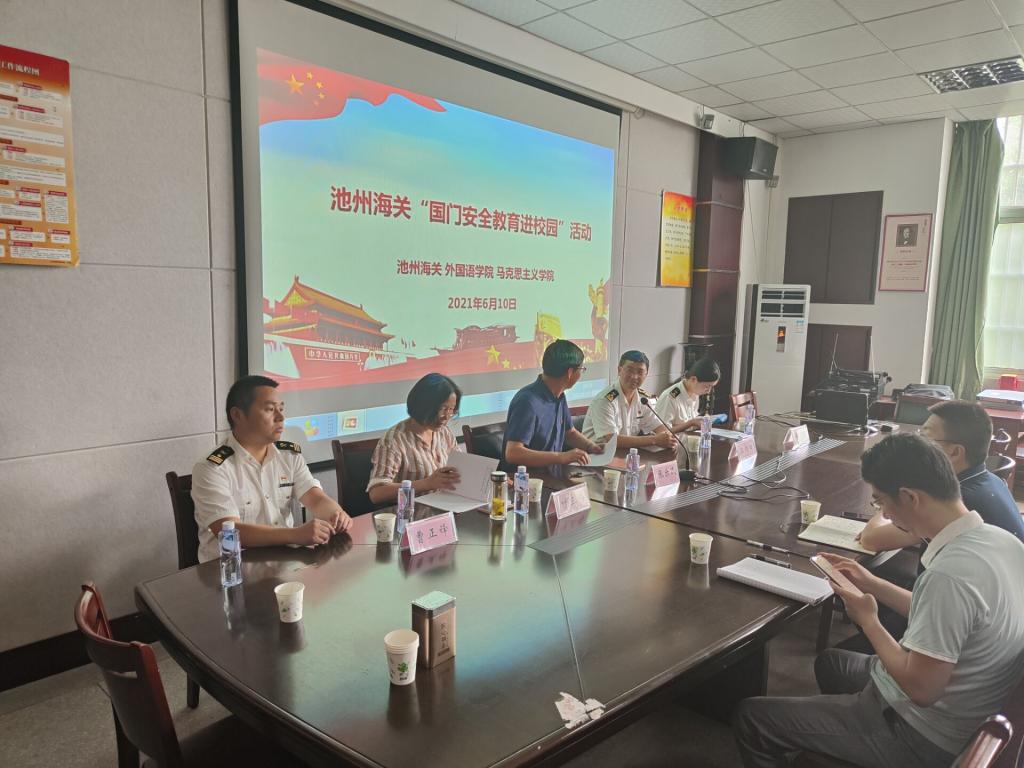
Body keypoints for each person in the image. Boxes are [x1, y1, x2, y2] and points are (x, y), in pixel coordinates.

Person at [734, 434, 1024, 767]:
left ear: (909, 497)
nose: (883, 512)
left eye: (881, 502)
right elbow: (949, 618)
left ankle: (861, 736)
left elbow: (922, 690)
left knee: (752, 717)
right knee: (831, 662)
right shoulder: (1002, 541)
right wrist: (873, 583)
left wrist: (869, 621)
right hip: (972, 704)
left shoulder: (949, 575)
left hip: (924, 734)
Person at [191, 375, 353, 563]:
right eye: (269, 409)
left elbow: (316, 499)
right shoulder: (212, 468)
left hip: (283, 565)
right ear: (237, 415)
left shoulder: (288, 456)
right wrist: (296, 535)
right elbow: (230, 531)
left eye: (281, 409)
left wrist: (336, 515)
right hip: (231, 569)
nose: (281, 417)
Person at [860, 400, 1024, 552]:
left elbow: (871, 539)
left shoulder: (956, 502)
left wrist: (887, 500)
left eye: (925, 438)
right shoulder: (990, 480)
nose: (917, 444)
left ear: (955, 452)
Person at [502, 339, 605, 471]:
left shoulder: (559, 396)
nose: (581, 374)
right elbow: (513, 453)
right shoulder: (527, 402)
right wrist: (561, 457)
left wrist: (591, 446)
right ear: (570, 373)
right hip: (527, 480)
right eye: (581, 369)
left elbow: (570, 432)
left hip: (552, 475)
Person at [367, 373, 462, 505]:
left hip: (445, 506)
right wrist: (426, 483)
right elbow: (377, 493)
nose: (446, 417)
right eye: (443, 409)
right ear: (423, 405)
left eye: (451, 410)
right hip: (411, 512)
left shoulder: (444, 433)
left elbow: (461, 466)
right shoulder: (394, 440)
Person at [581, 350, 676, 450]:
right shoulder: (604, 401)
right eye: (629, 370)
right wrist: (654, 440)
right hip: (596, 455)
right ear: (619, 370)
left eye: (640, 372)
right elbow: (612, 440)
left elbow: (660, 428)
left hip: (624, 454)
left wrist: (668, 439)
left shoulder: (643, 400)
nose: (634, 376)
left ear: (646, 374)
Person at [654, 356, 721, 433]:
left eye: (712, 387)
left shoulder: (695, 393)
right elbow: (663, 432)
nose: (709, 391)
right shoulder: (670, 397)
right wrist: (691, 423)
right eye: (706, 386)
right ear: (693, 379)